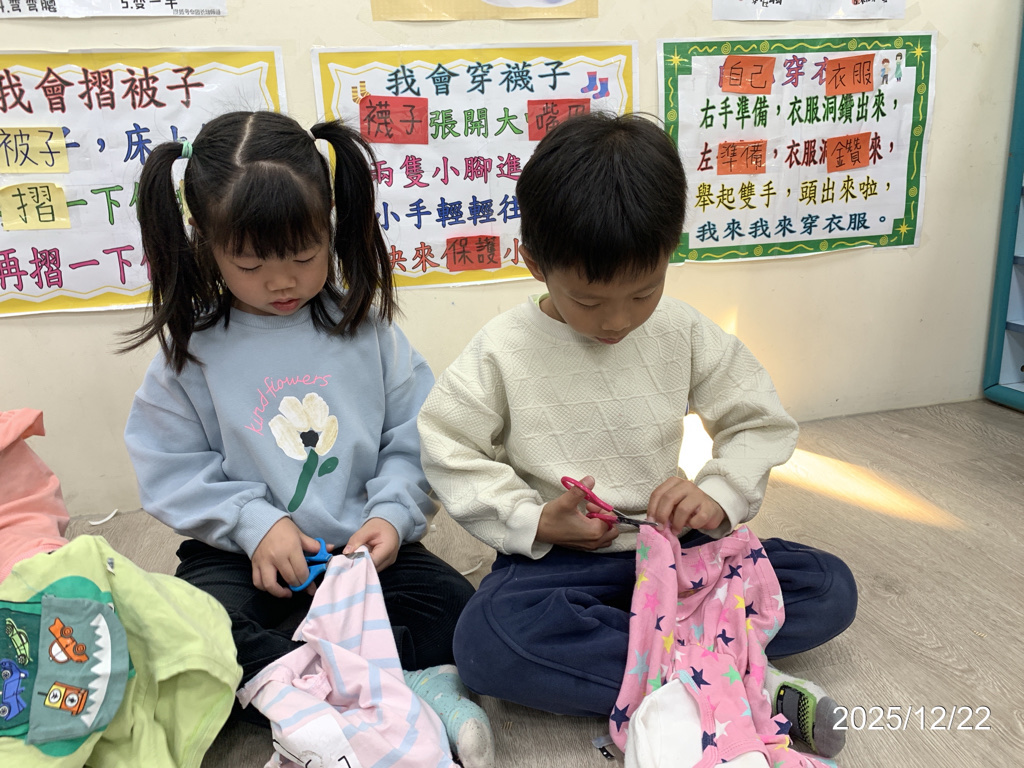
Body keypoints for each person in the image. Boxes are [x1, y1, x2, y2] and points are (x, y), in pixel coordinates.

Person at [417, 112, 857, 759]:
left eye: (644, 293)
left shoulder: (681, 330)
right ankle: (731, 680)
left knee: (828, 585)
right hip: (563, 565)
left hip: (679, 554)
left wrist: (717, 495)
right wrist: (533, 519)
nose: (617, 321)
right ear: (535, 263)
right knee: (487, 643)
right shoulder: (502, 350)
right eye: (589, 302)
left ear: (669, 251)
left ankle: (679, 673)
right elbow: (447, 444)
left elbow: (758, 418)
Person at [121, 111, 492, 767]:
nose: (282, 281)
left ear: (332, 228)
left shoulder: (367, 330)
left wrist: (391, 516)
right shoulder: (192, 350)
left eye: (303, 255)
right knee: (187, 632)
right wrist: (255, 523)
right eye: (250, 263)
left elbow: (417, 436)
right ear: (204, 241)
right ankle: (373, 680)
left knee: (464, 616)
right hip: (240, 554)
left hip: (359, 553)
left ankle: (301, 683)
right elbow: (170, 467)